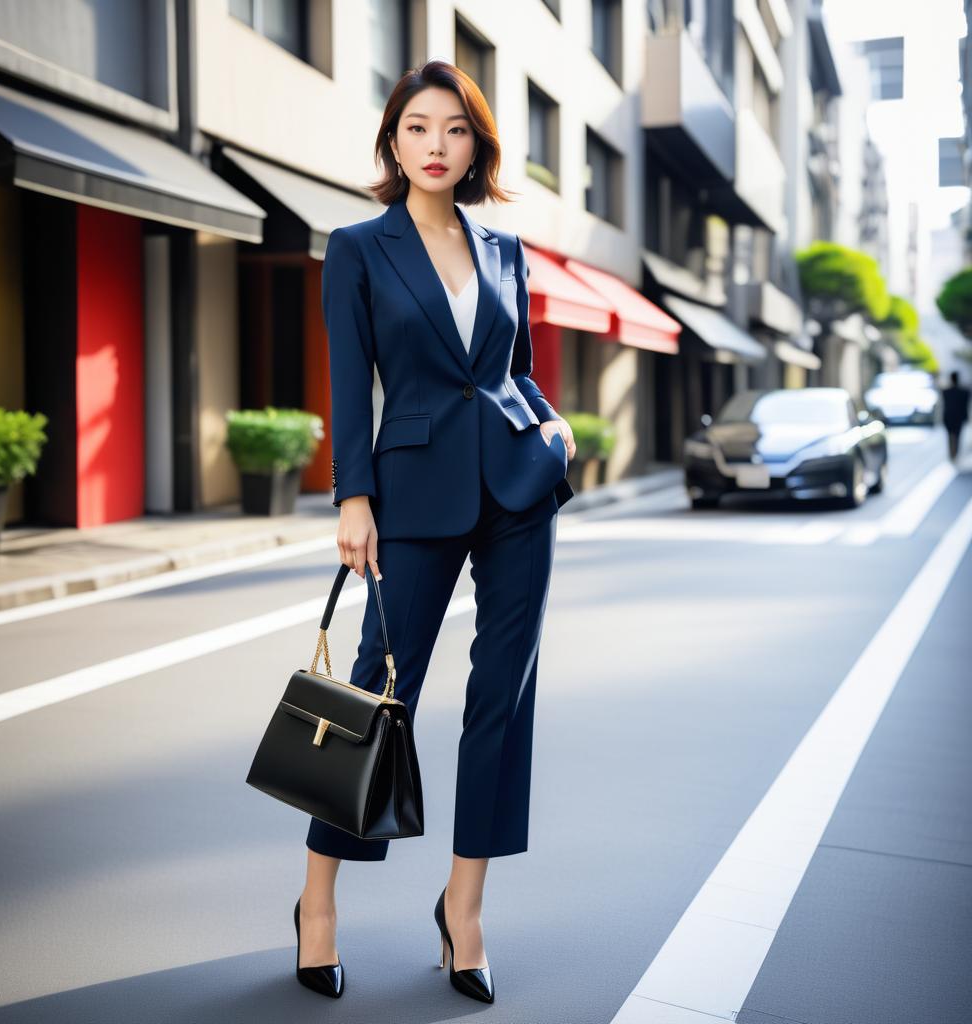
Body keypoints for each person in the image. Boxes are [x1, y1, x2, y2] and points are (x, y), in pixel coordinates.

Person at [291, 60, 576, 1004]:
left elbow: (516, 372)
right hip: (409, 495)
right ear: (393, 140)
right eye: (418, 128)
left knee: (503, 692)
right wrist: (351, 497)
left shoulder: (504, 251)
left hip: (516, 493)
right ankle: (317, 904)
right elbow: (347, 382)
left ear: (475, 145)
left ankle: (464, 910)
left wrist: (554, 433)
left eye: (454, 130)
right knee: (377, 688)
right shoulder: (359, 249)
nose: (435, 146)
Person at [942, 370, 970, 460]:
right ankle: (954, 453)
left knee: (951, 435)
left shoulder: (946, 392)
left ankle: (952, 453)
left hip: (949, 416)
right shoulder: (964, 392)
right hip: (958, 417)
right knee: (957, 435)